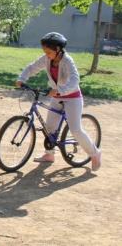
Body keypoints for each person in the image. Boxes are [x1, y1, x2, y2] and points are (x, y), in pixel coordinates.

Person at [15, 32, 101, 171]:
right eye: (45, 52)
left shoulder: (67, 61)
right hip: (57, 96)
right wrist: (22, 78)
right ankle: (49, 154)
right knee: (49, 127)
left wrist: (61, 89)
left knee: (76, 129)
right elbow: (32, 67)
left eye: (49, 52)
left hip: (72, 97)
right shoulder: (46, 59)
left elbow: (75, 80)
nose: (46, 55)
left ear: (58, 49)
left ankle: (95, 153)